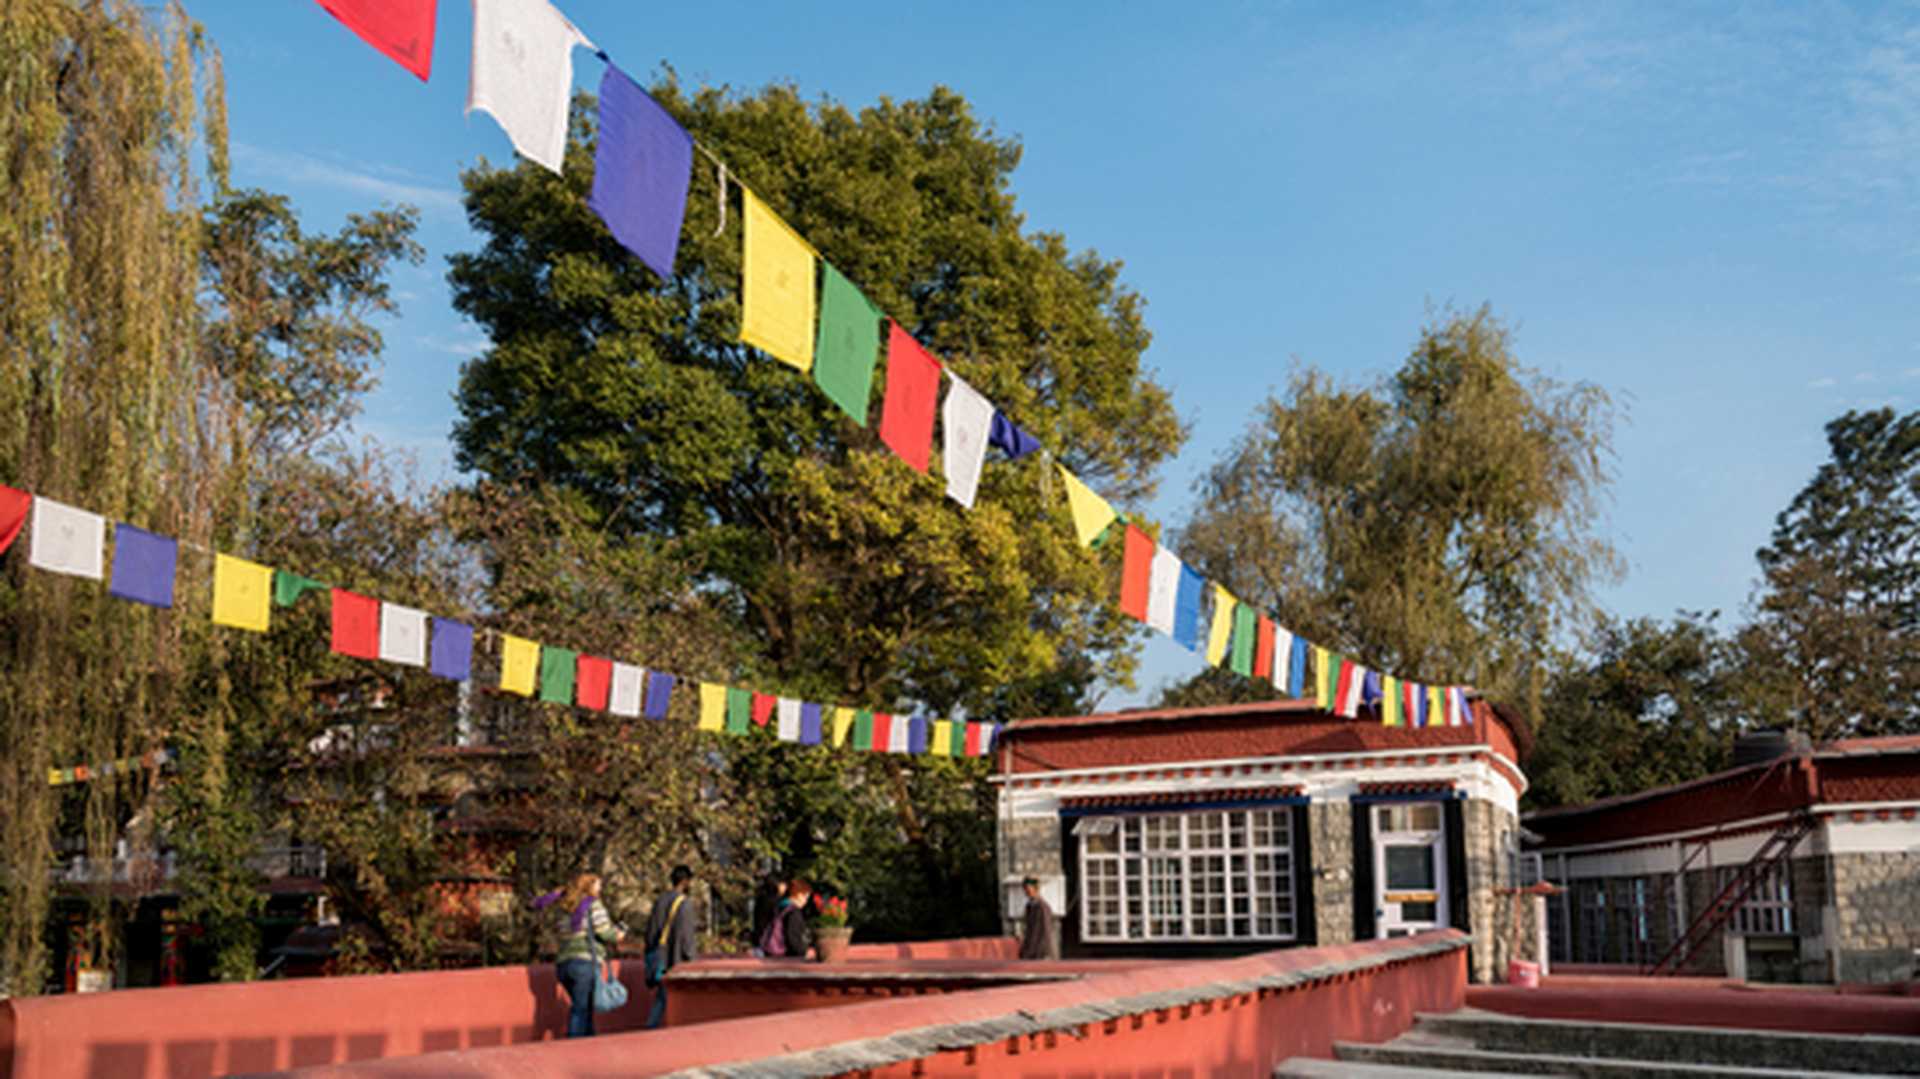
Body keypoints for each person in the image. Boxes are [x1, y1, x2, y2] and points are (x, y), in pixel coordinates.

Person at [550, 873, 623, 1038]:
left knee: (585, 1007)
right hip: (584, 963)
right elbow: (605, 933)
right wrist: (619, 934)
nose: (600, 889)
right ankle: (574, 1049)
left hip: (564, 965)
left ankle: (588, 1047)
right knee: (581, 1009)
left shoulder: (564, 907)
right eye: (598, 885)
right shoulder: (593, 905)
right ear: (589, 887)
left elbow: (559, 932)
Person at [641, 864, 697, 1029]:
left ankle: (652, 1026)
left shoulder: (660, 900)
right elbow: (686, 936)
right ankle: (652, 1028)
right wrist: (691, 958)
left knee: (662, 995)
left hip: (659, 955)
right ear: (685, 882)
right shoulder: (684, 904)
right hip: (673, 958)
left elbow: (651, 931)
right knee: (668, 997)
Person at [762, 876, 815, 959]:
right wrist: (804, 951)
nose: (805, 901)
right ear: (797, 894)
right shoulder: (793, 912)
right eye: (805, 897)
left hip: (773, 952)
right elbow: (793, 937)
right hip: (787, 956)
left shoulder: (780, 907)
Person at [1018, 876, 1057, 960]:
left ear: (1036, 889)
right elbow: (1028, 930)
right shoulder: (1029, 906)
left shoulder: (1043, 907)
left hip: (1041, 953)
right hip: (1030, 951)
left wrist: (1037, 952)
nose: (1026, 892)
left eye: (1028, 889)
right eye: (1025, 889)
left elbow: (1045, 932)